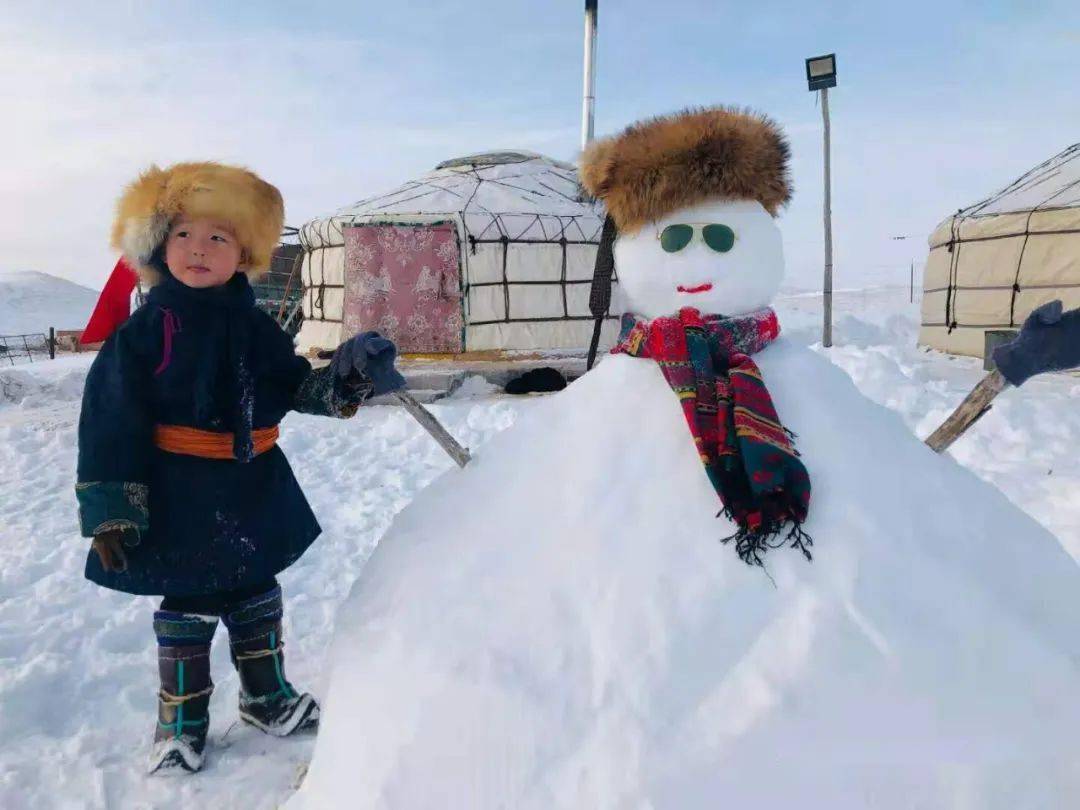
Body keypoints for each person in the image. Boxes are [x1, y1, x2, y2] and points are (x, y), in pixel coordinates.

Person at [75, 161, 405, 774]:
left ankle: (265, 695)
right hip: (176, 492)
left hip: (251, 484)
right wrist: (112, 512)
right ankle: (180, 719)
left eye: (218, 237)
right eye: (184, 235)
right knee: (189, 602)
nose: (199, 249)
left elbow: (293, 389)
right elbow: (109, 422)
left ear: (244, 253)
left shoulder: (256, 326)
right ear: (159, 245)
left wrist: (349, 373)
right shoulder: (144, 333)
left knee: (256, 589)